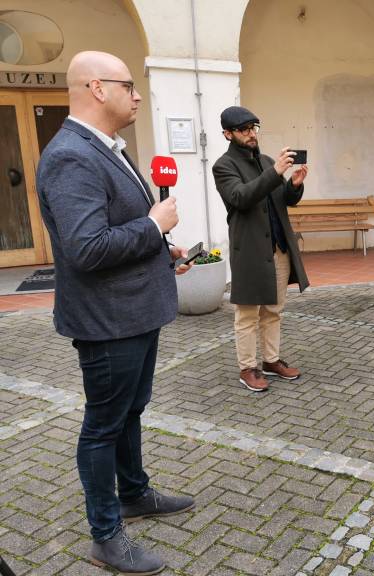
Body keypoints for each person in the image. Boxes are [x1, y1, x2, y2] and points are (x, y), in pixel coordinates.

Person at [36, 51, 195, 574]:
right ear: (98, 88)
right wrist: (152, 226)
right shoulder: (71, 156)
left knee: (130, 411)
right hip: (108, 322)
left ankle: (134, 493)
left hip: (134, 312)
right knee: (103, 425)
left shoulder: (106, 148)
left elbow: (113, 229)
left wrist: (160, 249)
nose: (138, 94)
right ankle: (105, 535)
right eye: (129, 85)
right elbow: (87, 248)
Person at [212, 106, 310, 393]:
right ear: (228, 134)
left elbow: (281, 200)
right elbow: (241, 197)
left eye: (253, 128)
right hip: (251, 251)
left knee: (273, 310)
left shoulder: (267, 161)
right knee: (247, 315)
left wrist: (294, 186)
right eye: (244, 129)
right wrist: (276, 172)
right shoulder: (224, 166)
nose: (251, 134)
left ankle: (271, 360)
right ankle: (247, 368)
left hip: (279, 249)